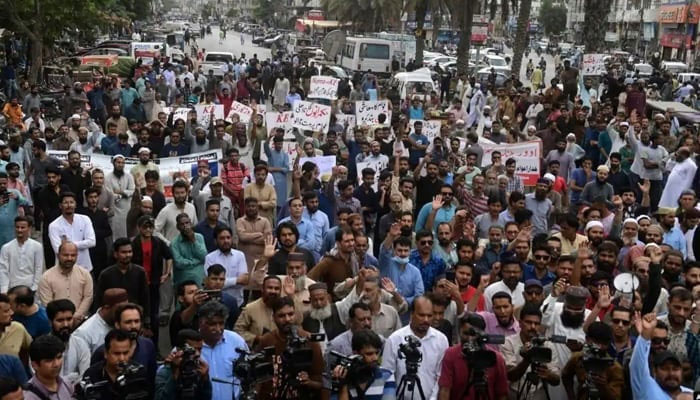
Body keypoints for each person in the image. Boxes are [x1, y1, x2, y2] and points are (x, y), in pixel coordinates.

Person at [255, 295, 325, 400]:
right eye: (281, 316)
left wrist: (308, 382)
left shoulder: (309, 341)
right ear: (273, 317)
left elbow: (321, 383)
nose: (287, 319)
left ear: (295, 314)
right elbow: (257, 378)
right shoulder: (266, 341)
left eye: (290, 314)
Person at [382, 297, 448, 399]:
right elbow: (387, 375)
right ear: (412, 314)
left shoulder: (441, 340)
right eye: (421, 315)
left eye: (429, 316)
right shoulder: (395, 339)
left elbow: (440, 376)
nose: (426, 320)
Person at [436, 312, 509, 400]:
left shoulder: (495, 358)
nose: (469, 339)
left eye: (473, 334)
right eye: (466, 334)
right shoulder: (451, 354)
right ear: (459, 332)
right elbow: (445, 389)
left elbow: (502, 394)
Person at [501, 303, 561, 399]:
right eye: (528, 322)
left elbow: (557, 380)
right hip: (515, 395)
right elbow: (510, 376)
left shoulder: (547, 345)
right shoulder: (508, 343)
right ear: (520, 323)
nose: (533, 327)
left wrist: (548, 374)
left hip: (539, 395)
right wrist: (527, 359)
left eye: (536, 324)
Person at [198, 300, 248, 400]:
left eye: (221, 323)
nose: (218, 329)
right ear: (200, 323)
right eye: (212, 324)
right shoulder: (190, 346)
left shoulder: (236, 341)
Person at [95, 239, 150, 329]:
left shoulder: (140, 272)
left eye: (130, 252)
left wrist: (146, 322)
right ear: (115, 254)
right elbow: (99, 300)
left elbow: (145, 298)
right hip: (112, 322)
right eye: (124, 252)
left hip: (134, 319)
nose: (127, 255)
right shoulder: (106, 274)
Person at [561, 322, 624, 400]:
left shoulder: (614, 367)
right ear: (587, 339)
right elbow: (566, 375)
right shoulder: (578, 358)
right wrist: (571, 396)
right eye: (596, 342)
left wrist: (603, 386)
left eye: (604, 343)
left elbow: (616, 397)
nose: (600, 347)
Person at [80, 329, 149, 400]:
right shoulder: (91, 375)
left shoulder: (138, 373)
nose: (122, 358)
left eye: (125, 353)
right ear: (106, 353)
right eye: (117, 353)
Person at [330, 329, 395, 400]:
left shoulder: (387, 375)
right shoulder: (343, 376)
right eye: (369, 354)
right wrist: (343, 386)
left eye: (377, 353)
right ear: (356, 353)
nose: (375, 358)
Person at [38, 242, 93, 323]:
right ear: (58, 255)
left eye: (73, 255)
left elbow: (88, 297)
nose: (69, 258)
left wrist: (75, 316)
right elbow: (47, 304)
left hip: (80, 321)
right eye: (66, 255)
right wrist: (64, 319)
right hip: (57, 323)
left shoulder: (85, 274)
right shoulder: (46, 277)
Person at [154, 329, 212, 400]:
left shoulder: (199, 371)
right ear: (179, 350)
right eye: (193, 350)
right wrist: (174, 376)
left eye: (200, 349)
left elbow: (206, 397)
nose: (197, 354)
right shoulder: (165, 372)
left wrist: (205, 379)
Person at [48, 192, 96, 272]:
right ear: (60, 206)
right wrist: (83, 243)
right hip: (63, 269)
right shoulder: (54, 225)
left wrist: (69, 244)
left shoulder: (85, 219)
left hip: (85, 268)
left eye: (71, 202)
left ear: (75, 204)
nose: (69, 205)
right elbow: (57, 249)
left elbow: (92, 242)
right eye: (65, 203)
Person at [45, 299, 90, 385]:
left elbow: (84, 375)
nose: (65, 324)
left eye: (69, 319)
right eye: (60, 320)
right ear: (50, 322)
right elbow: (43, 379)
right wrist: (72, 377)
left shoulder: (81, 344)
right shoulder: (40, 347)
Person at [203, 226, 252, 306]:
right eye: (222, 238)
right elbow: (210, 284)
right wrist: (236, 280)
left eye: (228, 237)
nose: (226, 241)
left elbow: (245, 280)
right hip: (217, 304)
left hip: (238, 303)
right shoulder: (210, 258)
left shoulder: (239, 255)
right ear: (215, 241)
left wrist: (220, 282)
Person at [72, 288, 128, 353]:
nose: (124, 313)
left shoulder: (124, 324)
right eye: (120, 309)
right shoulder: (84, 333)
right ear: (107, 307)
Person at [0, 216, 43, 293]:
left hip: (30, 288)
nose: (19, 230)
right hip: (11, 288)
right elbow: (3, 270)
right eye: (17, 227)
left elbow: (38, 268)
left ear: (29, 228)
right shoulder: (6, 248)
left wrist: (34, 288)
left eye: (23, 227)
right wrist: (4, 291)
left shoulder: (37, 246)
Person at [24, 334, 74, 400]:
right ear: (35, 365)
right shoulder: (28, 396)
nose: (56, 364)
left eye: (59, 357)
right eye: (49, 360)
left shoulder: (66, 384)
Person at [171, 213, 208, 287]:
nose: (185, 226)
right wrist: (196, 261)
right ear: (178, 227)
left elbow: (204, 257)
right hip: (183, 280)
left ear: (191, 223)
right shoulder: (174, 243)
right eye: (182, 224)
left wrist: (193, 240)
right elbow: (179, 263)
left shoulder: (199, 237)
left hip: (199, 279)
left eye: (187, 223)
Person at [0, 293, 31, 363]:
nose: (12, 313)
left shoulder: (17, 328)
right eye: (6, 311)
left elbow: (34, 349)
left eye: (10, 309)